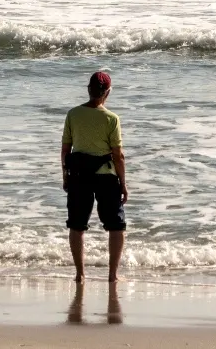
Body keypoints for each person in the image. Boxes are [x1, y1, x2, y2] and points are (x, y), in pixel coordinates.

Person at [60, 69, 127, 282]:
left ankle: (80, 274)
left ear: (89, 89)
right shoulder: (111, 119)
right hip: (105, 176)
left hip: (79, 175)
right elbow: (118, 156)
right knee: (116, 226)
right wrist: (123, 184)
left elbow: (65, 151)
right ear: (107, 92)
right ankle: (112, 275)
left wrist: (65, 177)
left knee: (77, 225)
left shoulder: (73, 114)